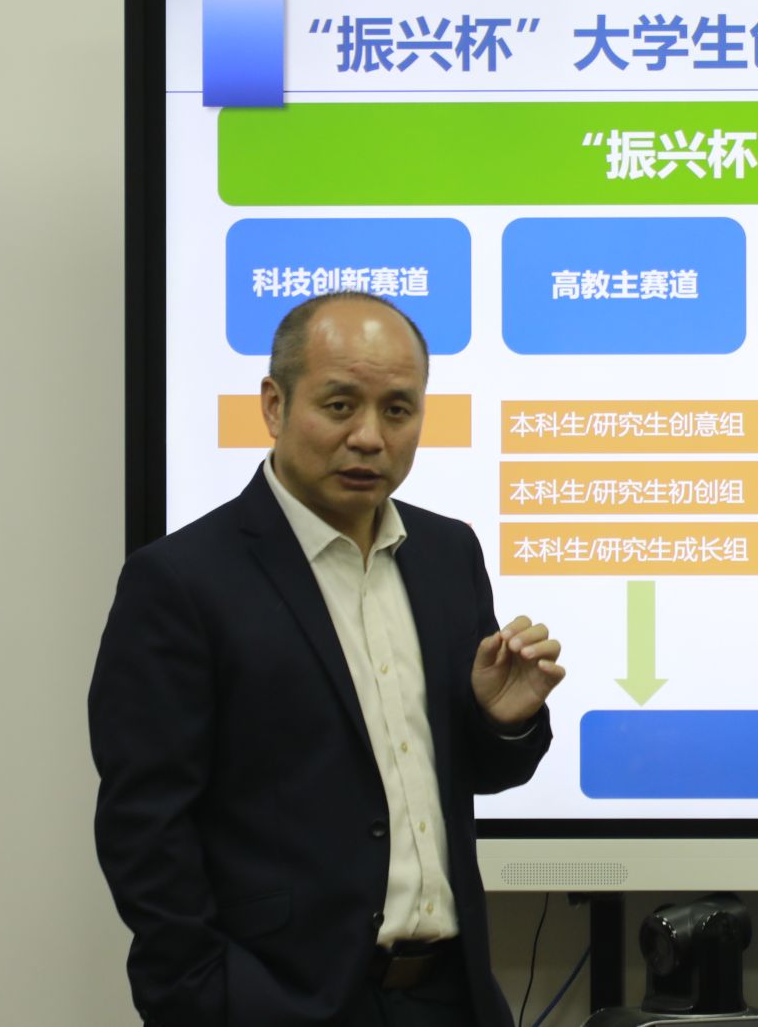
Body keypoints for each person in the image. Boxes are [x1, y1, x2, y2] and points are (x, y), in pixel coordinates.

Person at [90, 292, 565, 1026]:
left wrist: (501, 721)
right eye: (340, 406)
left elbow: (466, 775)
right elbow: (144, 827)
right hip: (279, 1001)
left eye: (398, 410)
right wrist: (205, 996)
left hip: (452, 996)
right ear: (274, 405)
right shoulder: (181, 580)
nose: (370, 437)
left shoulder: (448, 554)